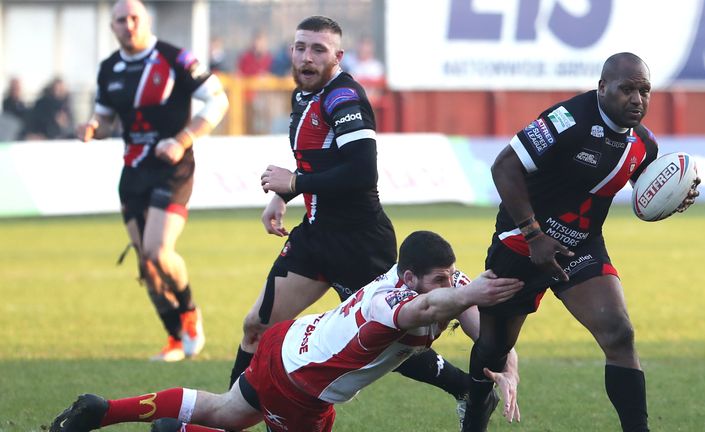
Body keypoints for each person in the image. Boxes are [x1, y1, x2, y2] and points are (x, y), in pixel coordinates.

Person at [231, 15, 486, 427]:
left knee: (388, 341)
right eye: (300, 47)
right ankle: (228, 417)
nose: (307, 57)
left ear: (337, 57)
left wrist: (294, 180)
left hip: (358, 241)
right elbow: (317, 160)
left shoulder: (343, 99)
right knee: (256, 327)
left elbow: (362, 171)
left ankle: (469, 389)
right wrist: (283, 195)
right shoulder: (303, 96)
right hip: (315, 237)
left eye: (318, 50)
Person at [51, 231, 524, 432]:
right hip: (301, 383)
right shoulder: (389, 304)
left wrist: (507, 365)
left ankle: (102, 411)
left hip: (291, 345)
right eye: (439, 279)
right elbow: (437, 305)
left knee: (226, 413)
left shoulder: (444, 282)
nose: (449, 284)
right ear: (407, 279)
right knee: (231, 417)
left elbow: (492, 334)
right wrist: (469, 294)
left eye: (451, 275)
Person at [461, 52, 701, 432]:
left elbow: (645, 187)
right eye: (627, 89)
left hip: (581, 247)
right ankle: (473, 414)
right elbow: (504, 166)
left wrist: (674, 196)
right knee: (493, 349)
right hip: (521, 246)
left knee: (619, 334)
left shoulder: (643, 144)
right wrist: (533, 233)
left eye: (644, 90)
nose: (637, 100)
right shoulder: (567, 120)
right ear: (602, 87)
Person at [76, 0, 229, 361]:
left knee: (159, 252)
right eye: (120, 20)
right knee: (146, 264)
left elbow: (217, 100)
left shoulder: (175, 58)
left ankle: (190, 313)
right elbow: (106, 117)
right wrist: (93, 128)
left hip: (173, 168)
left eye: (134, 18)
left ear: (146, 21)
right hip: (133, 170)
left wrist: (181, 140)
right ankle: (175, 338)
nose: (128, 25)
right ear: (112, 27)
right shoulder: (109, 69)